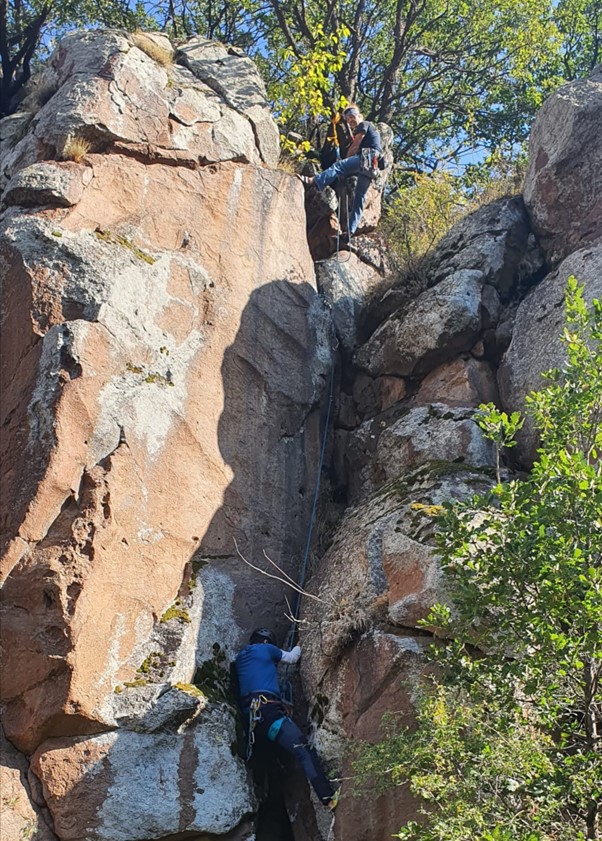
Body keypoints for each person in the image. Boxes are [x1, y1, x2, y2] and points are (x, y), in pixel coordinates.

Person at [235, 627, 340, 810]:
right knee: (303, 750)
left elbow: (255, 686)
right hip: (269, 714)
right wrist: (301, 643)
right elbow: (292, 657)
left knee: (271, 762)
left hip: (253, 723)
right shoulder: (266, 648)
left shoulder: (239, 660)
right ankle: (328, 797)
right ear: (266, 641)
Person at [299, 104, 382, 238]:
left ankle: (315, 181)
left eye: (352, 117)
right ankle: (350, 231)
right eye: (348, 119)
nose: (351, 120)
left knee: (339, 166)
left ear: (359, 115)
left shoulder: (364, 124)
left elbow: (356, 145)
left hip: (366, 157)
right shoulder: (372, 130)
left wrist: (346, 160)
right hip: (372, 164)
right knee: (359, 199)